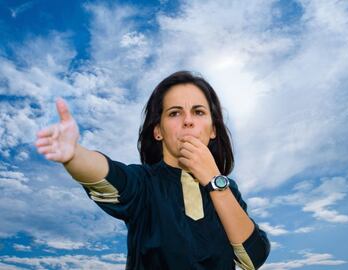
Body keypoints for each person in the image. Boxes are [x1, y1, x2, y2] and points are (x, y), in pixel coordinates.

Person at [35, 71, 270, 269]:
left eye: (199, 112)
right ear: (158, 131)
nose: (188, 121)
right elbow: (109, 176)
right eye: (174, 113)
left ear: (213, 130)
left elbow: (253, 258)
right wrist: (74, 154)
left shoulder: (227, 190)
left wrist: (213, 180)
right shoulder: (144, 183)